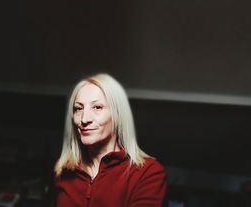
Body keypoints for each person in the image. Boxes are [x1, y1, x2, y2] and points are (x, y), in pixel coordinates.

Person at [50, 73, 167, 206]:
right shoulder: (62, 170)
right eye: (78, 108)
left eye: (97, 107)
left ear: (118, 115)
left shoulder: (147, 172)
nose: (84, 119)